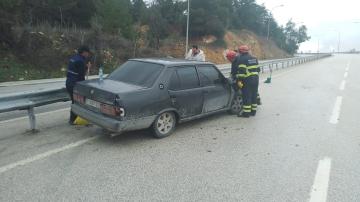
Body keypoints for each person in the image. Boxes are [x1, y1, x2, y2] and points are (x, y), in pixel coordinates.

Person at [66, 45, 91, 124]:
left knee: (75, 101)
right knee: (77, 102)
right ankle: (73, 120)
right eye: (87, 53)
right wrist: (84, 86)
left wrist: (86, 67)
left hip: (69, 82)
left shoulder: (73, 58)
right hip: (75, 84)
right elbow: (81, 76)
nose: (88, 55)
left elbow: (75, 69)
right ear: (84, 52)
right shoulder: (81, 61)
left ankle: (74, 119)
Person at [233, 45, 260, 118]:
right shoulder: (254, 58)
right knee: (254, 95)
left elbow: (241, 73)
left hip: (248, 80)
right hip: (256, 79)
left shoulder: (242, 59)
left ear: (241, 52)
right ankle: (253, 112)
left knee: (247, 96)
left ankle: (246, 113)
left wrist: (239, 81)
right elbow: (258, 70)